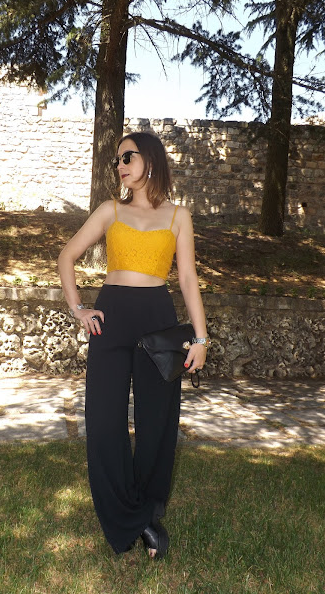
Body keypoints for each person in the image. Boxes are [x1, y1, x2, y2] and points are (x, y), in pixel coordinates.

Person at [58, 131, 209, 559]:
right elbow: (66, 256)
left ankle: (146, 509)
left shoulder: (178, 216)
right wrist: (78, 309)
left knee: (156, 423)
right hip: (111, 318)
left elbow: (187, 278)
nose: (120, 165)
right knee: (103, 422)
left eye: (128, 156)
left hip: (157, 321)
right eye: (117, 160)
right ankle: (133, 518)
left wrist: (200, 338)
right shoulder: (110, 210)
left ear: (151, 160)